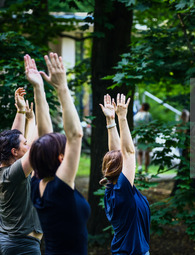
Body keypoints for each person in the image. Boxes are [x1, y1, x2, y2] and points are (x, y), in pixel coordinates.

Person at [29, 52, 90, 255]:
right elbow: (75, 134)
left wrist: (39, 88)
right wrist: (61, 87)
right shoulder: (59, 189)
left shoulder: (38, 185)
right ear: (61, 158)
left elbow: (43, 138)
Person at [99, 93, 150, 255]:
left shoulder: (113, 189)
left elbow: (117, 153)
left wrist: (110, 121)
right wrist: (122, 117)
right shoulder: (122, 191)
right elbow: (128, 152)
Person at [0, 87, 42, 255]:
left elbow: (12, 138)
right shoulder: (13, 174)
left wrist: (21, 111)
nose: (28, 145)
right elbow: (37, 145)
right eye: (25, 143)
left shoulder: (5, 168)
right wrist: (41, 99)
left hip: (10, 241)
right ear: (14, 152)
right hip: (22, 246)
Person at [133, 102, 152, 173]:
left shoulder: (136, 115)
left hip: (138, 135)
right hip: (147, 135)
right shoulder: (148, 115)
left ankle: (140, 166)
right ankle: (146, 169)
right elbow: (151, 125)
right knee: (147, 152)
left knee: (139, 152)